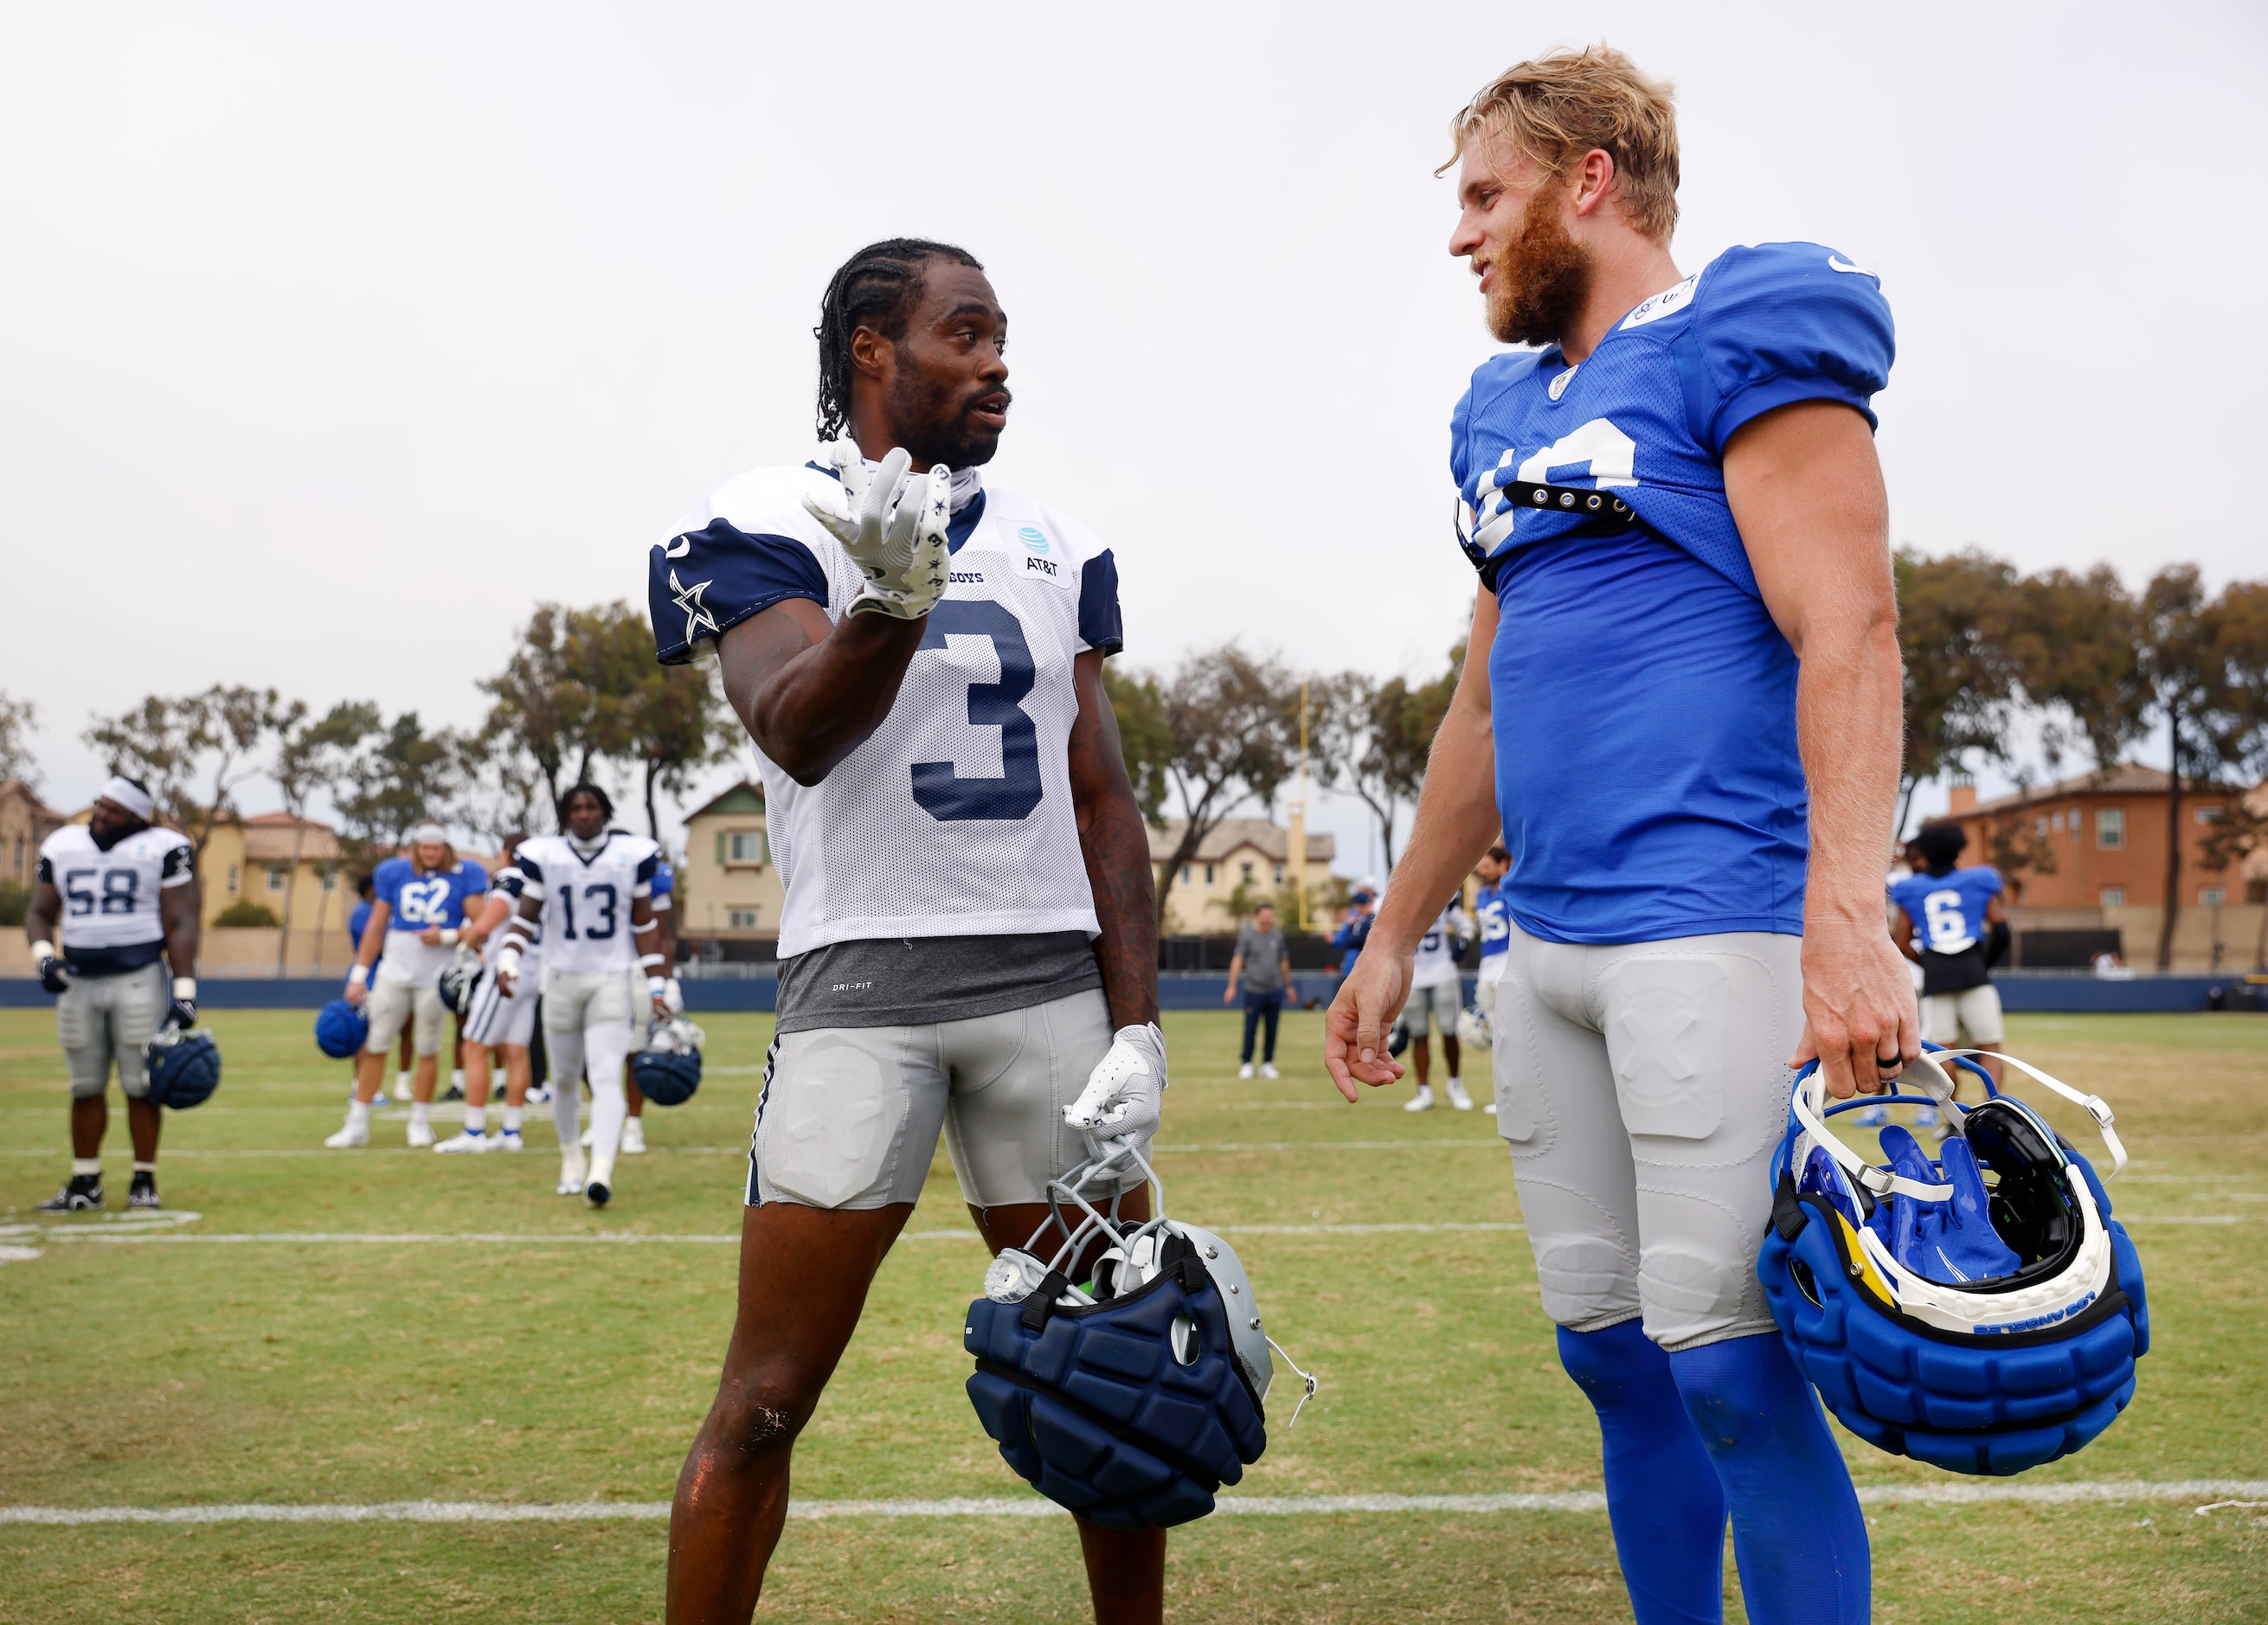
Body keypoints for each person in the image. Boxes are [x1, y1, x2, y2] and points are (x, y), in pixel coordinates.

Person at [1327, 47, 1911, 1622]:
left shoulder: (1737, 327)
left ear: (1591, 179)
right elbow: (1483, 710)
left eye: (1484, 196)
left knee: (1730, 1366)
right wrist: (1395, 932)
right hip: (1549, 943)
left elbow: (1847, 626)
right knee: (1606, 1350)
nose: (1460, 236)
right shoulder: (1502, 408)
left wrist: (1845, 913)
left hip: (1714, 921)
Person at [651, 238, 1165, 1625]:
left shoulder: (1055, 538)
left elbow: (1102, 797)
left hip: (1047, 996)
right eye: (966, 332)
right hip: (857, 998)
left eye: (1002, 334)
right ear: (872, 350)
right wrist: (885, 604)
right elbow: (798, 731)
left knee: (1122, 1377)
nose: (997, 360)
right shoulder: (763, 513)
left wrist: (1137, 1024)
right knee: (763, 1400)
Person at [27, 776, 201, 1212]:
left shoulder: (165, 846)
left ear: (139, 819)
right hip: (78, 980)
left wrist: (185, 991)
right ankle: (85, 1181)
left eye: (114, 811)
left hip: (138, 976)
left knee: (141, 1085)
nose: (101, 816)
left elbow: (181, 921)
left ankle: (144, 1179)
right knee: (84, 1085)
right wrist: (45, 957)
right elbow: (40, 912)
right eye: (99, 806)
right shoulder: (63, 844)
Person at [491, 785, 670, 1205]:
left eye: (591, 807)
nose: (584, 814)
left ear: (605, 812)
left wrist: (659, 983)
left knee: (607, 1074)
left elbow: (645, 927)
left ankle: (601, 1170)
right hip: (560, 979)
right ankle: (571, 1157)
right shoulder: (546, 856)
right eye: (576, 808)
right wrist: (508, 960)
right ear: (565, 814)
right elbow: (525, 920)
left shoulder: (631, 856)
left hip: (611, 978)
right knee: (567, 1078)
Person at [324, 823, 489, 1149]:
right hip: (394, 972)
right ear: (415, 848)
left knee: (427, 1047)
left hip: (435, 975)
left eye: (436, 848)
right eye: (425, 847)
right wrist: (359, 974)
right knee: (374, 1044)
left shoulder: (466, 873)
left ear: (445, 849)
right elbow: (376, 925)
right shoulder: (394, 872)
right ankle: (357, 1121)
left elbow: (482, 924)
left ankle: (420, 1121)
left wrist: (444, 935)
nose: (430, 853)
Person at [433, 834, 540, 1153]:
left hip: (505, 972)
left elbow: (487, 923)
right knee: (517, 1051)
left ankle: (475, 1131)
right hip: (533, 972)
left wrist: (465, 944)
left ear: (507, 853)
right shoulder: (543, 880)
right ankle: (511, 1131)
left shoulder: (511, 878)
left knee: (474, 1047)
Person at [1886, 821, 2007, 1091]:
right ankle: (1995, 1106)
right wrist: (1982, 964)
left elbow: (1902, 942)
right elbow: (2002, 931)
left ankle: (1951, 1116)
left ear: (1925, 851)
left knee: (1945, 1049)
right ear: (1958, 849)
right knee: (1989, 1044)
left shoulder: (1910, 888)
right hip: (1974, 969)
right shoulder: (1980, 880)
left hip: (1937, 974)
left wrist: (1927, 963)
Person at [1401, 897, 1475, 1112]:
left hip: (1442, 972)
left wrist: (1461, 945)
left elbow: (1466, 926)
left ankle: (1455, 1085)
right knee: (1418, 1033)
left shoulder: (1442, 895)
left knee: (1449, 1030)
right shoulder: (1394, 900)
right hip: (1412, 974)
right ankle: (1423, 1091)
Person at [344, 871, 408, 1106]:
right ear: (371, 891)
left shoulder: (373, 912)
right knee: (367, 1037)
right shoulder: (363, 913)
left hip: (379, 978)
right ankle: (362, 1087)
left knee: (376, 1036)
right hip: (369, 980)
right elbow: (377, 945)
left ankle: (365, 1087)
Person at [1224, 901, 1294, 1078]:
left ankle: (1267, 1063)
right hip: (1254, 990)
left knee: (1272, 1029)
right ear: (1257, 916)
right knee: (1250, 1029)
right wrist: (1231, 986)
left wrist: (1288, 985)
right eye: (1264, 914)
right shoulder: (1247, 937)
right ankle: (1247, 1063)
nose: (1268, 917)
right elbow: (1238, 960)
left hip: (1274, 989)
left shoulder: (1277, 937)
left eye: (1270, 914)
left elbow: (1284, 962)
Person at [1471, 845, 1511, 1115]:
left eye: (1488, 866)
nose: (1483, 872)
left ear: (1502, 865)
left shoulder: (1511, 888)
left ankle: (1517, 1095)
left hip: (1508, 960)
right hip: (1487, 964)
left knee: (1512, 1032)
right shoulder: (1482, 895)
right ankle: (1503, 1095)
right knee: (1496, 1034)